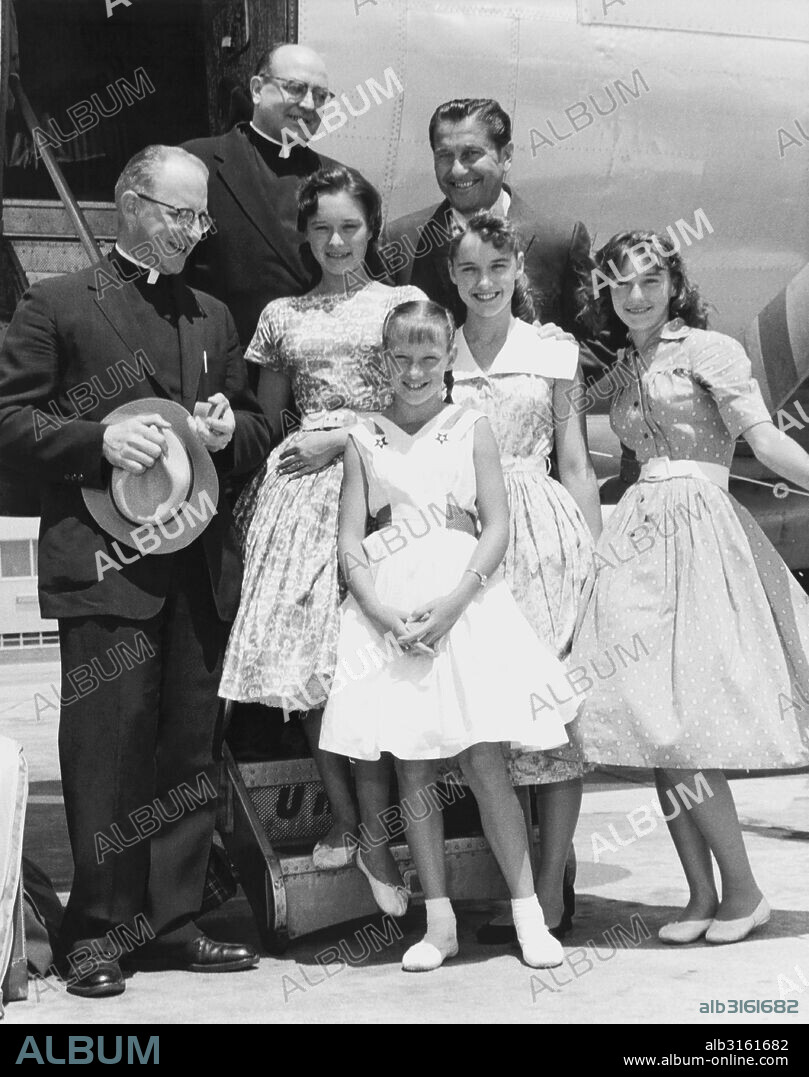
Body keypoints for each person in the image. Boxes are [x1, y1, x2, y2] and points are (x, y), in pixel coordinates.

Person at [0, 145, 272, 997]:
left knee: (189, 748)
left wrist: (230, 432)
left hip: (195, 564)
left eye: (200, 217)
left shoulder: (214, 315)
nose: (192, 231)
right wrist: (97, 440)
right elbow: (8, 421)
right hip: (104, 564)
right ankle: (96, 932)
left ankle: (176, 921)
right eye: (177, 213)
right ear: (129, 203)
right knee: (108, 752)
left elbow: (255, 427)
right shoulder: (56, 303)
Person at [320, 299, 581, 972]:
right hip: (392, 610)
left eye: (428, 358)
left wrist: (455, 601)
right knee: (412, 765)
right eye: (401, 359)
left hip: (462, 604)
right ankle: (438, 924)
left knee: (483, 760)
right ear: (384, 361)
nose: (414, 372)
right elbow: (350, 540)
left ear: (447, 362)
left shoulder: (470, 425)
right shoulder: (363, 435)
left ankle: (529, 916)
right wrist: (380, 612)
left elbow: (496, 525)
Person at [572, 230, 809, 944]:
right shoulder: (622, 365)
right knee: (657, 726)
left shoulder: (711, 350)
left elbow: (763, 440)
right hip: (638, 539)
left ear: (674, 285)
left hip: (701, 534)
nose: (636, 296)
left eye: (650, 280)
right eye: (621, 284)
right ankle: (701, 896)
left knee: (686, 729)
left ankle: (745, 893)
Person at [219, 165, 425, 877]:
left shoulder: (403, 305)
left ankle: (397, 828)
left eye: (350, 227)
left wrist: (343, 438)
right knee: (314, 668)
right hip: (300, 497)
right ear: (304, 235)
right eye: (321, 228)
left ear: (372, 229)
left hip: (384, 484)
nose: (336, 242)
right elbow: (272, 419)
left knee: (384, 660)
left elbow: (420, 402)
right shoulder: (282, 315)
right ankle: (348, 821)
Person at [444, 211, 602, 942]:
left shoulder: (552, 349)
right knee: (487, 725)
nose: (484, 283)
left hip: (543, 536)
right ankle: (519, 893)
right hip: (463, 535)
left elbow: (574, 461)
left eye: (497, 268)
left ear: (518, 272)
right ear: (452, 277)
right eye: (469, 270)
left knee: (552, 714)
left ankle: (551, 889)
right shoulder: (438, 349)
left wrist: (594, 560)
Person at [384, 97, 613, 381]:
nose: (457, 170)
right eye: (444, 156)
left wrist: (561, 361)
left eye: (471, 154)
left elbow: (601, 342)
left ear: (506, 156)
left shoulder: (560, 241)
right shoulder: (401, 242)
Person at [183, 43, 358, 349]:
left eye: (320, 96)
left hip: (317, 364)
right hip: (225, 367)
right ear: (257, 89)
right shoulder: (197, 164)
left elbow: (366, 284)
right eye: (295, 89)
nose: (309, 104)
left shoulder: (344, 181)